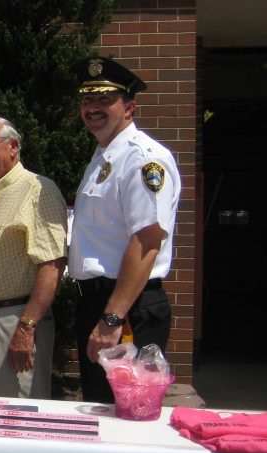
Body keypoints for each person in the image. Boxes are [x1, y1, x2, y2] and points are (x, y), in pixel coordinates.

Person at [70, 57, 181, 403]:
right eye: (88, 100)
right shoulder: (104, 157)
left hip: (127, 309)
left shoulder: (143, 159)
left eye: (105, 99)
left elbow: (147, 241)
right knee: (101, 409)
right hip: (102, 303)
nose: (93, 108)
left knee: (129, 416)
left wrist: (112, 316)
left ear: (129, 107)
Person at [0, 116, 68, 399]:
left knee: (16, 418)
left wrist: (26, 328)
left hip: (15, 322)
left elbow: (52, 264)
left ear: (13, 146)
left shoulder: (36, 190)